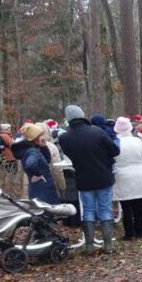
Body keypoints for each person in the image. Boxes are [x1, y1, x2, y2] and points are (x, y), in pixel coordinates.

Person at [58, 105, 120, 254]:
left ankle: (89, 245)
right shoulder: (97, 132)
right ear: (82, 115)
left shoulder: (64, 138)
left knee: (88, 210)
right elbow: (115, 151)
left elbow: (70, 155)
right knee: (105, 209)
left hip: (83, 177)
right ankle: (108, 245)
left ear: (69, 119)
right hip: (103, 176)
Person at [111, 117, 142, 241]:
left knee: (126, 206)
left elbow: (112, 161)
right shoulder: (138, 141)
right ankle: (140, 231)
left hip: (122, 176)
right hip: (138, 174)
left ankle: (129, 233)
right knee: (139, 206)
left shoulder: (115, 142)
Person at [11, 123, 59, 205]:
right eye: (40, 135)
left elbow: (46, 160)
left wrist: (43, 147)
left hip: (41, 190)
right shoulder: (32, 152)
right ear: (35, 138)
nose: (43, 137)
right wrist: (38, 174)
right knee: (45, 215)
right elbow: (30, 164)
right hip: (42, 191)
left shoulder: (33, 149)